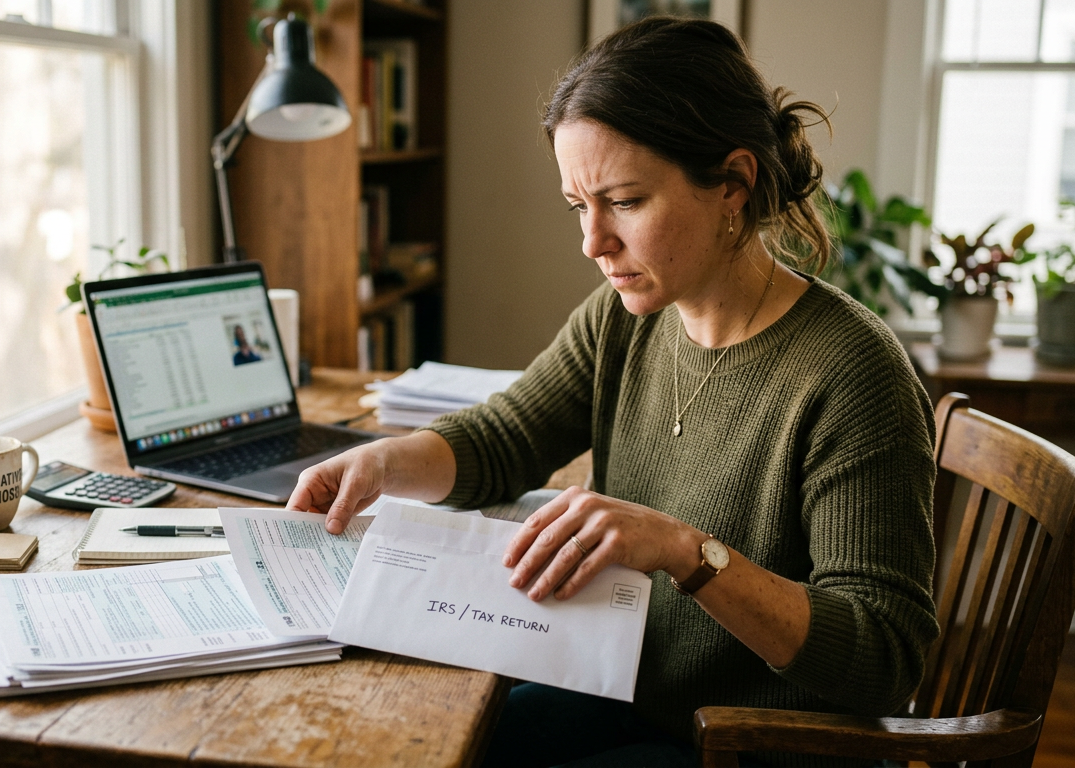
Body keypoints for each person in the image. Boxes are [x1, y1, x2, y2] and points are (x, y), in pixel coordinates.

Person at [287, 17, 938, 768]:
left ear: (733, 184)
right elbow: (508, 437)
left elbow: (883, 660)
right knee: (411, 741)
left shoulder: (853, 373)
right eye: (578, 205)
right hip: (635, 690)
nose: (593, 242)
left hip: (754, 744)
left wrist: (685, 551)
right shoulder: (629, 318)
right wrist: (383, 464)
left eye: (624, 202)